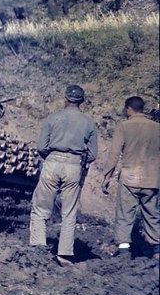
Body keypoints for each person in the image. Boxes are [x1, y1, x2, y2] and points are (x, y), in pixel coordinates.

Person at [29, 83, 98, 266]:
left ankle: (38, 246)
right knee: (69, 212)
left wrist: (51, 157)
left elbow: (41, 147)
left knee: (41, 207)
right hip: (74, 166)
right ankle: (64, 253)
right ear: (81, 101)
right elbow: (92, 154)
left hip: (52, 163)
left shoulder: (53, 118)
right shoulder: (88, 122)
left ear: (66, 99)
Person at [101, 96, 160, 258]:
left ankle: (124, 249)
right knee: (153, 214)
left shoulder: (124, 127)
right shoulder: (157, 127)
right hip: (152, 180)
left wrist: (107, 177)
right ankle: (157, 250)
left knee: (125, 213)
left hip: (129, 178)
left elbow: (114, 153)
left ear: (129, 109)